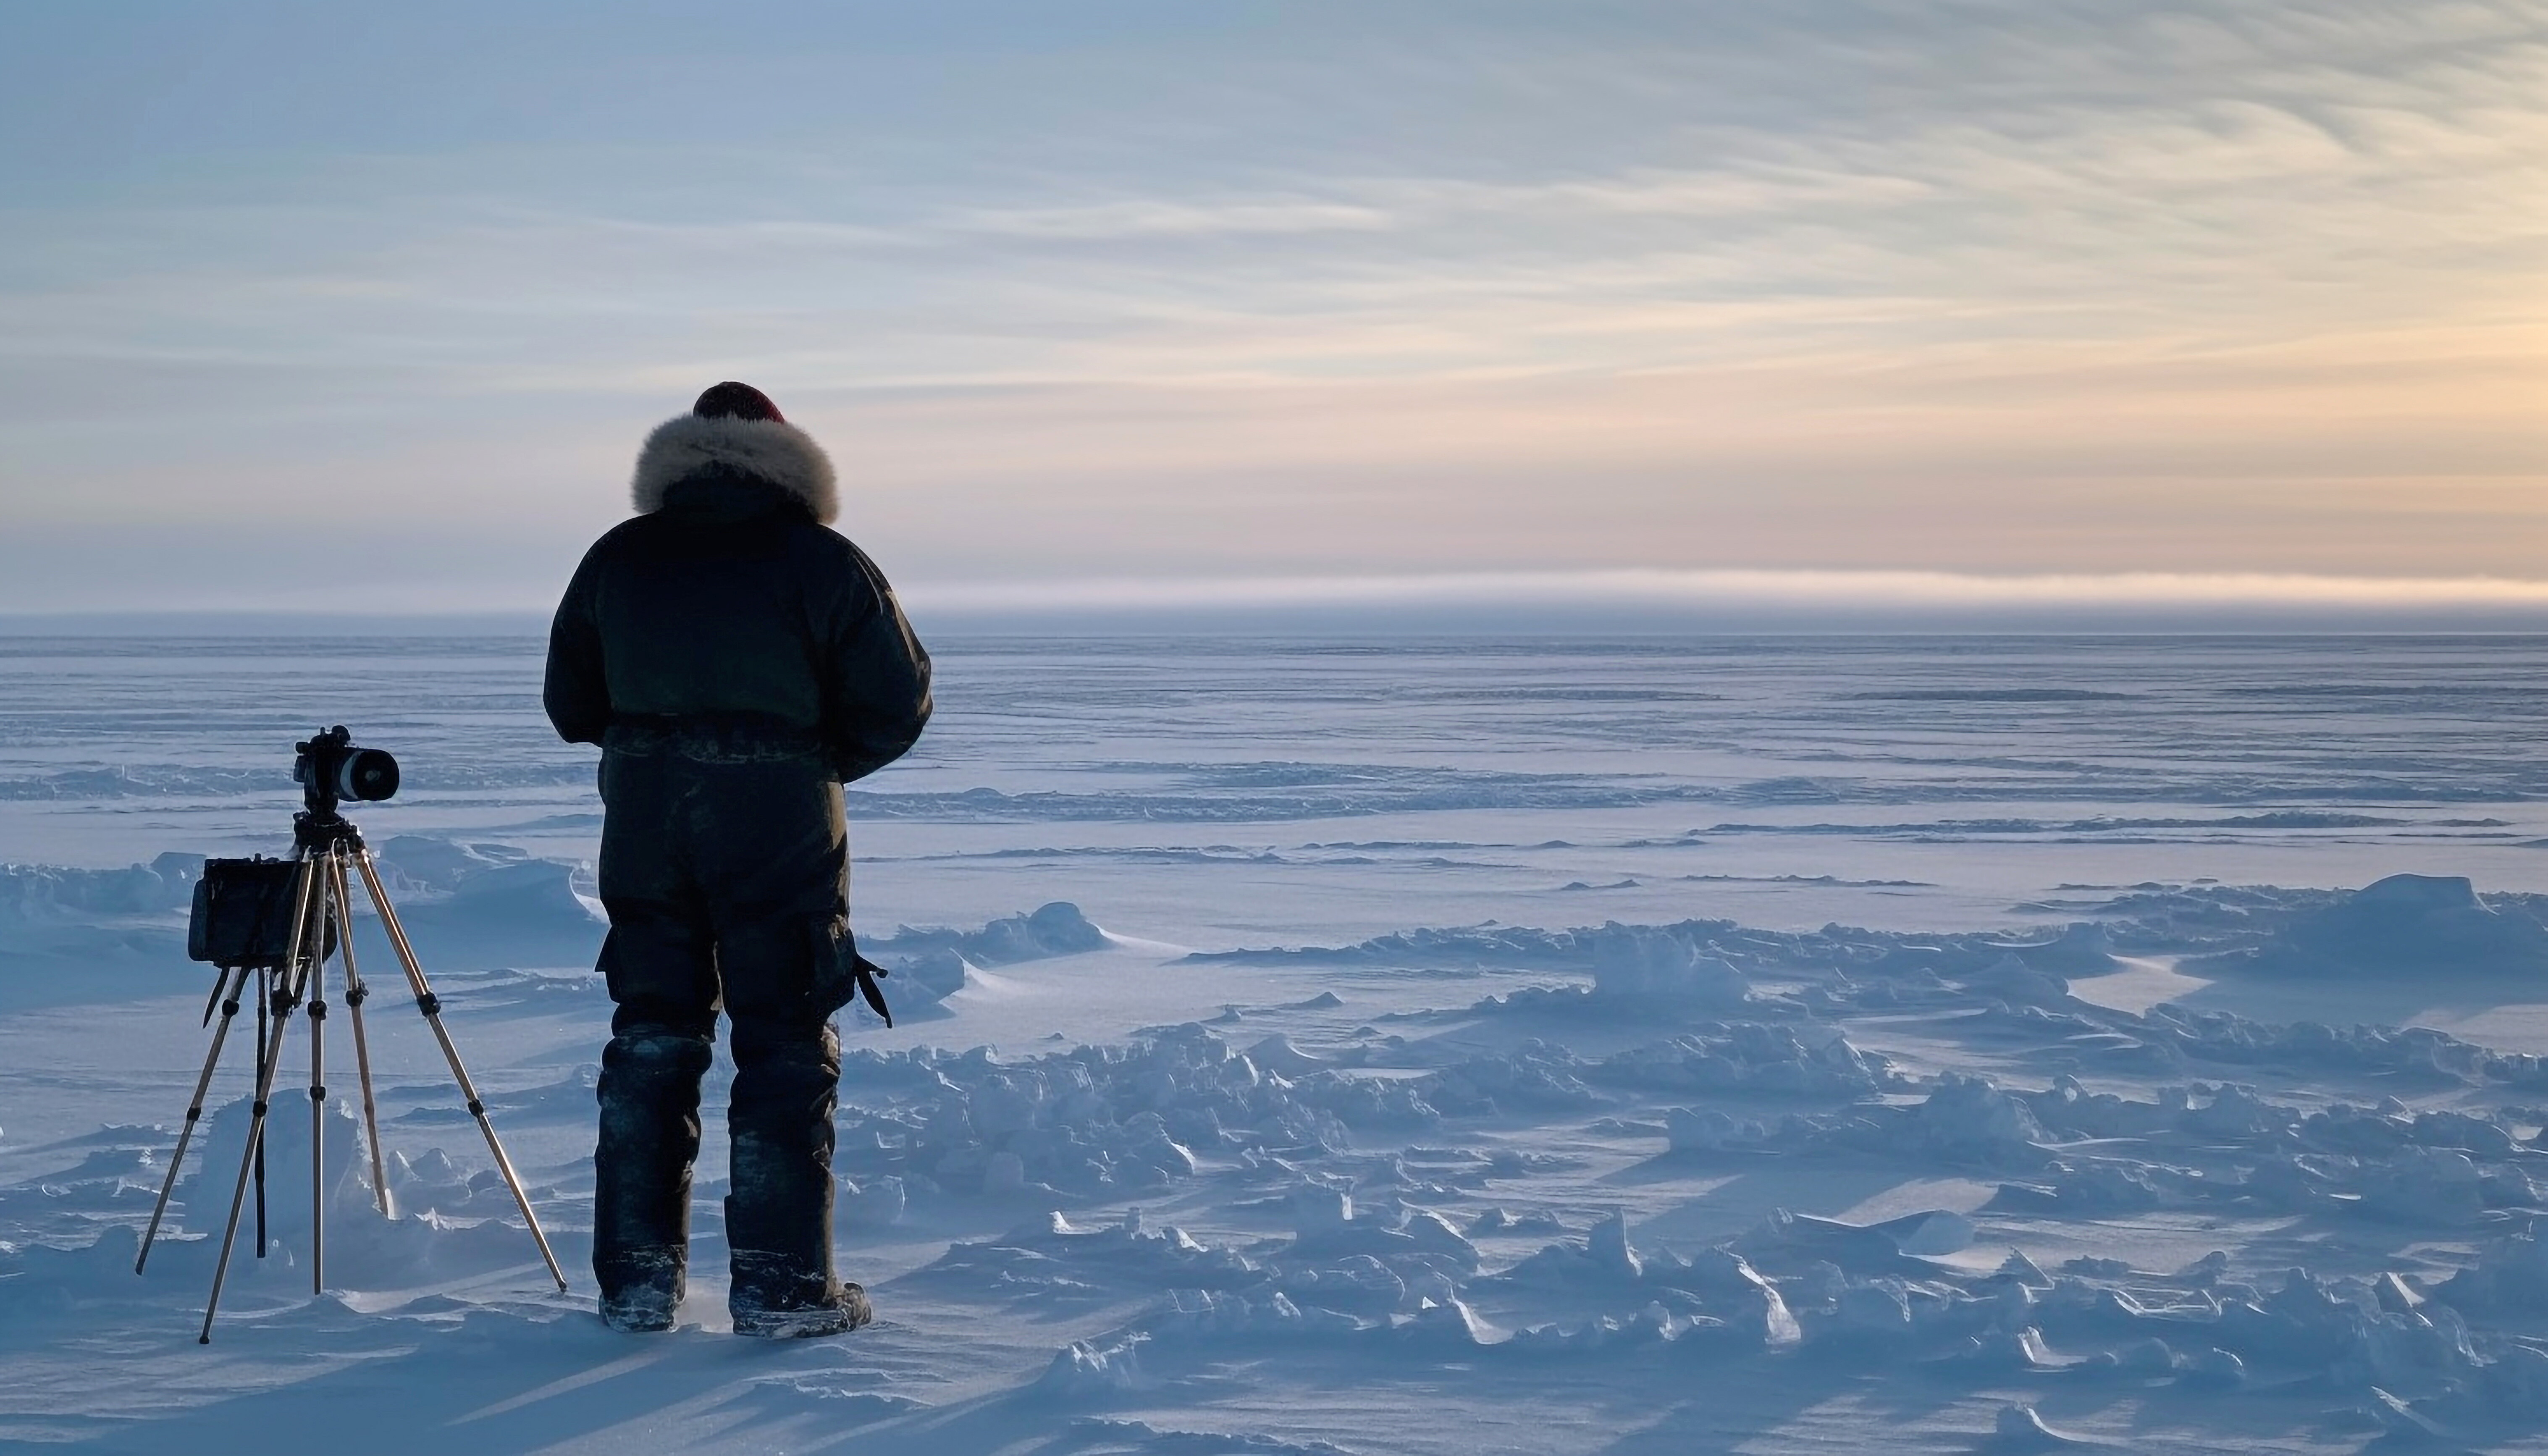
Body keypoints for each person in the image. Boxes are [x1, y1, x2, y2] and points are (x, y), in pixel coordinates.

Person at [543, 382, 932, 1336]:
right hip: (781, 830)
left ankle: (636, 1282)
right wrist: (802, 764)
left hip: (646, 829)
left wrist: (656, 750)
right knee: (786, 1039)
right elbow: (899, 701)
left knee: (651, 1037)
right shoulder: (824, 562)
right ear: (785, 457)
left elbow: (571, 704)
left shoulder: (619, 557)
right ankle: (783, 1287)